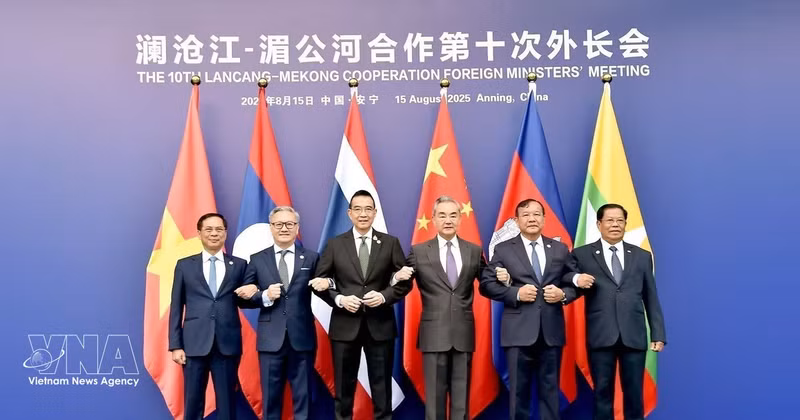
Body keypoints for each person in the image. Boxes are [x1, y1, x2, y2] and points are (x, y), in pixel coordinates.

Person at [315, 190, 412, 420]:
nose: (363, 214)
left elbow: (405, 281)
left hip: (380, 326)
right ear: (349, 213)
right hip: (344, 326)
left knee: (382, 387)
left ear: (375, 213)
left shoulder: (390, 243)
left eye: (368, 209)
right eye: (357, 209)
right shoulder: (335, 244)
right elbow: (319, 282)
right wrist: (339, 299)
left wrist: (384, 296)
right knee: (343, 388)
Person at [567, 203, 666, 420]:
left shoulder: (642, 256)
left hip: (634, 335)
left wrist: (658, 333)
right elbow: (566, 276)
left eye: (620, 220)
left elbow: (650, 295)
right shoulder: (582, 254)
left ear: (625, 224)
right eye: (610, 220)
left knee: (634, 394)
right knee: (602, 393)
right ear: (598, 224)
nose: (615, 225)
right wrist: (576, 278)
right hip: (601, 334)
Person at [480, 199, 576, 420]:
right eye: (526, 215)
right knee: (518, 394)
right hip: (517, 333)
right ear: (516, 220)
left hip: (551, 333)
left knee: (550, 394)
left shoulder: (559, 248)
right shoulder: (503, 249)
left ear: (544, 218)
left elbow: (574, 281)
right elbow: (486, 285)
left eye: (536, 214)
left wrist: (563, 295)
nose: (532, 219)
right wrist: (515, 294)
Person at [236, 206, 331, 420]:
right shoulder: (258, 259)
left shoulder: (311, 258)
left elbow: (325, 290)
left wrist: (330, 285)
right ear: (271, 228)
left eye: (289, 224)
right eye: (278, 224)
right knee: (271, 400)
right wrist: (264, 295)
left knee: (303, 398)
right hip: (270, 340)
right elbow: (243, 299)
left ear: (297, 228)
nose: (284, 228)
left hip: (302, 338)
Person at [395, 195, 485, 420]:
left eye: (453, 215)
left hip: (463, 334)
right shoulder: (418, 251)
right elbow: (402, 286)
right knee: (434, 405)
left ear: (460, 219)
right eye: (442, 215)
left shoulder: (474, 251)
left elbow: (489, 284)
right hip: (433, 334)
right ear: (433, 219)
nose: (448, 220)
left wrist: (505, 280)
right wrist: (396, 278)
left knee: (461, 404)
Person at [168, 213, 249, 420]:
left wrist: (261, 294)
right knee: (193, 402)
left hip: (227, 344)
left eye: (219, 229)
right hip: (193, 345)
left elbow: (246, 300)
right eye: (209, 229)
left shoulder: (239, 265)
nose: (214, 233)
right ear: (199, 233)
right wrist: (176, 345)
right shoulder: (185, 265)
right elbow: (176, 307)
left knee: (227, 404)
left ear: (225, 233)